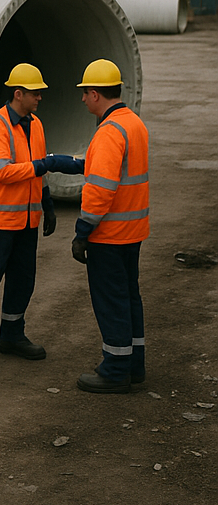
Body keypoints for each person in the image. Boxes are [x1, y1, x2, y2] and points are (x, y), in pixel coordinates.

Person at [0, 63, 83, 368]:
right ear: (18, 94)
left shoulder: (35, 125)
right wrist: (49, 164)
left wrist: (47, 203)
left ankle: (12, 335)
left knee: (22, 280)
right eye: (35, 93)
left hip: (27, 222)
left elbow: (34, 171)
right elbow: (4, 172)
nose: (40, 98)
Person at [71, 59, 150, 394]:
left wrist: (82, 232)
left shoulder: (108, 132)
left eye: (85, 94)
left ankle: (115, 370)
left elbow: (100, 191)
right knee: (129, 297)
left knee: (111, 302)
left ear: (95, 94)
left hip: (109, 235)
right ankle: (134, 365)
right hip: (133, 232)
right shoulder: (134, 124)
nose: (83, 100)